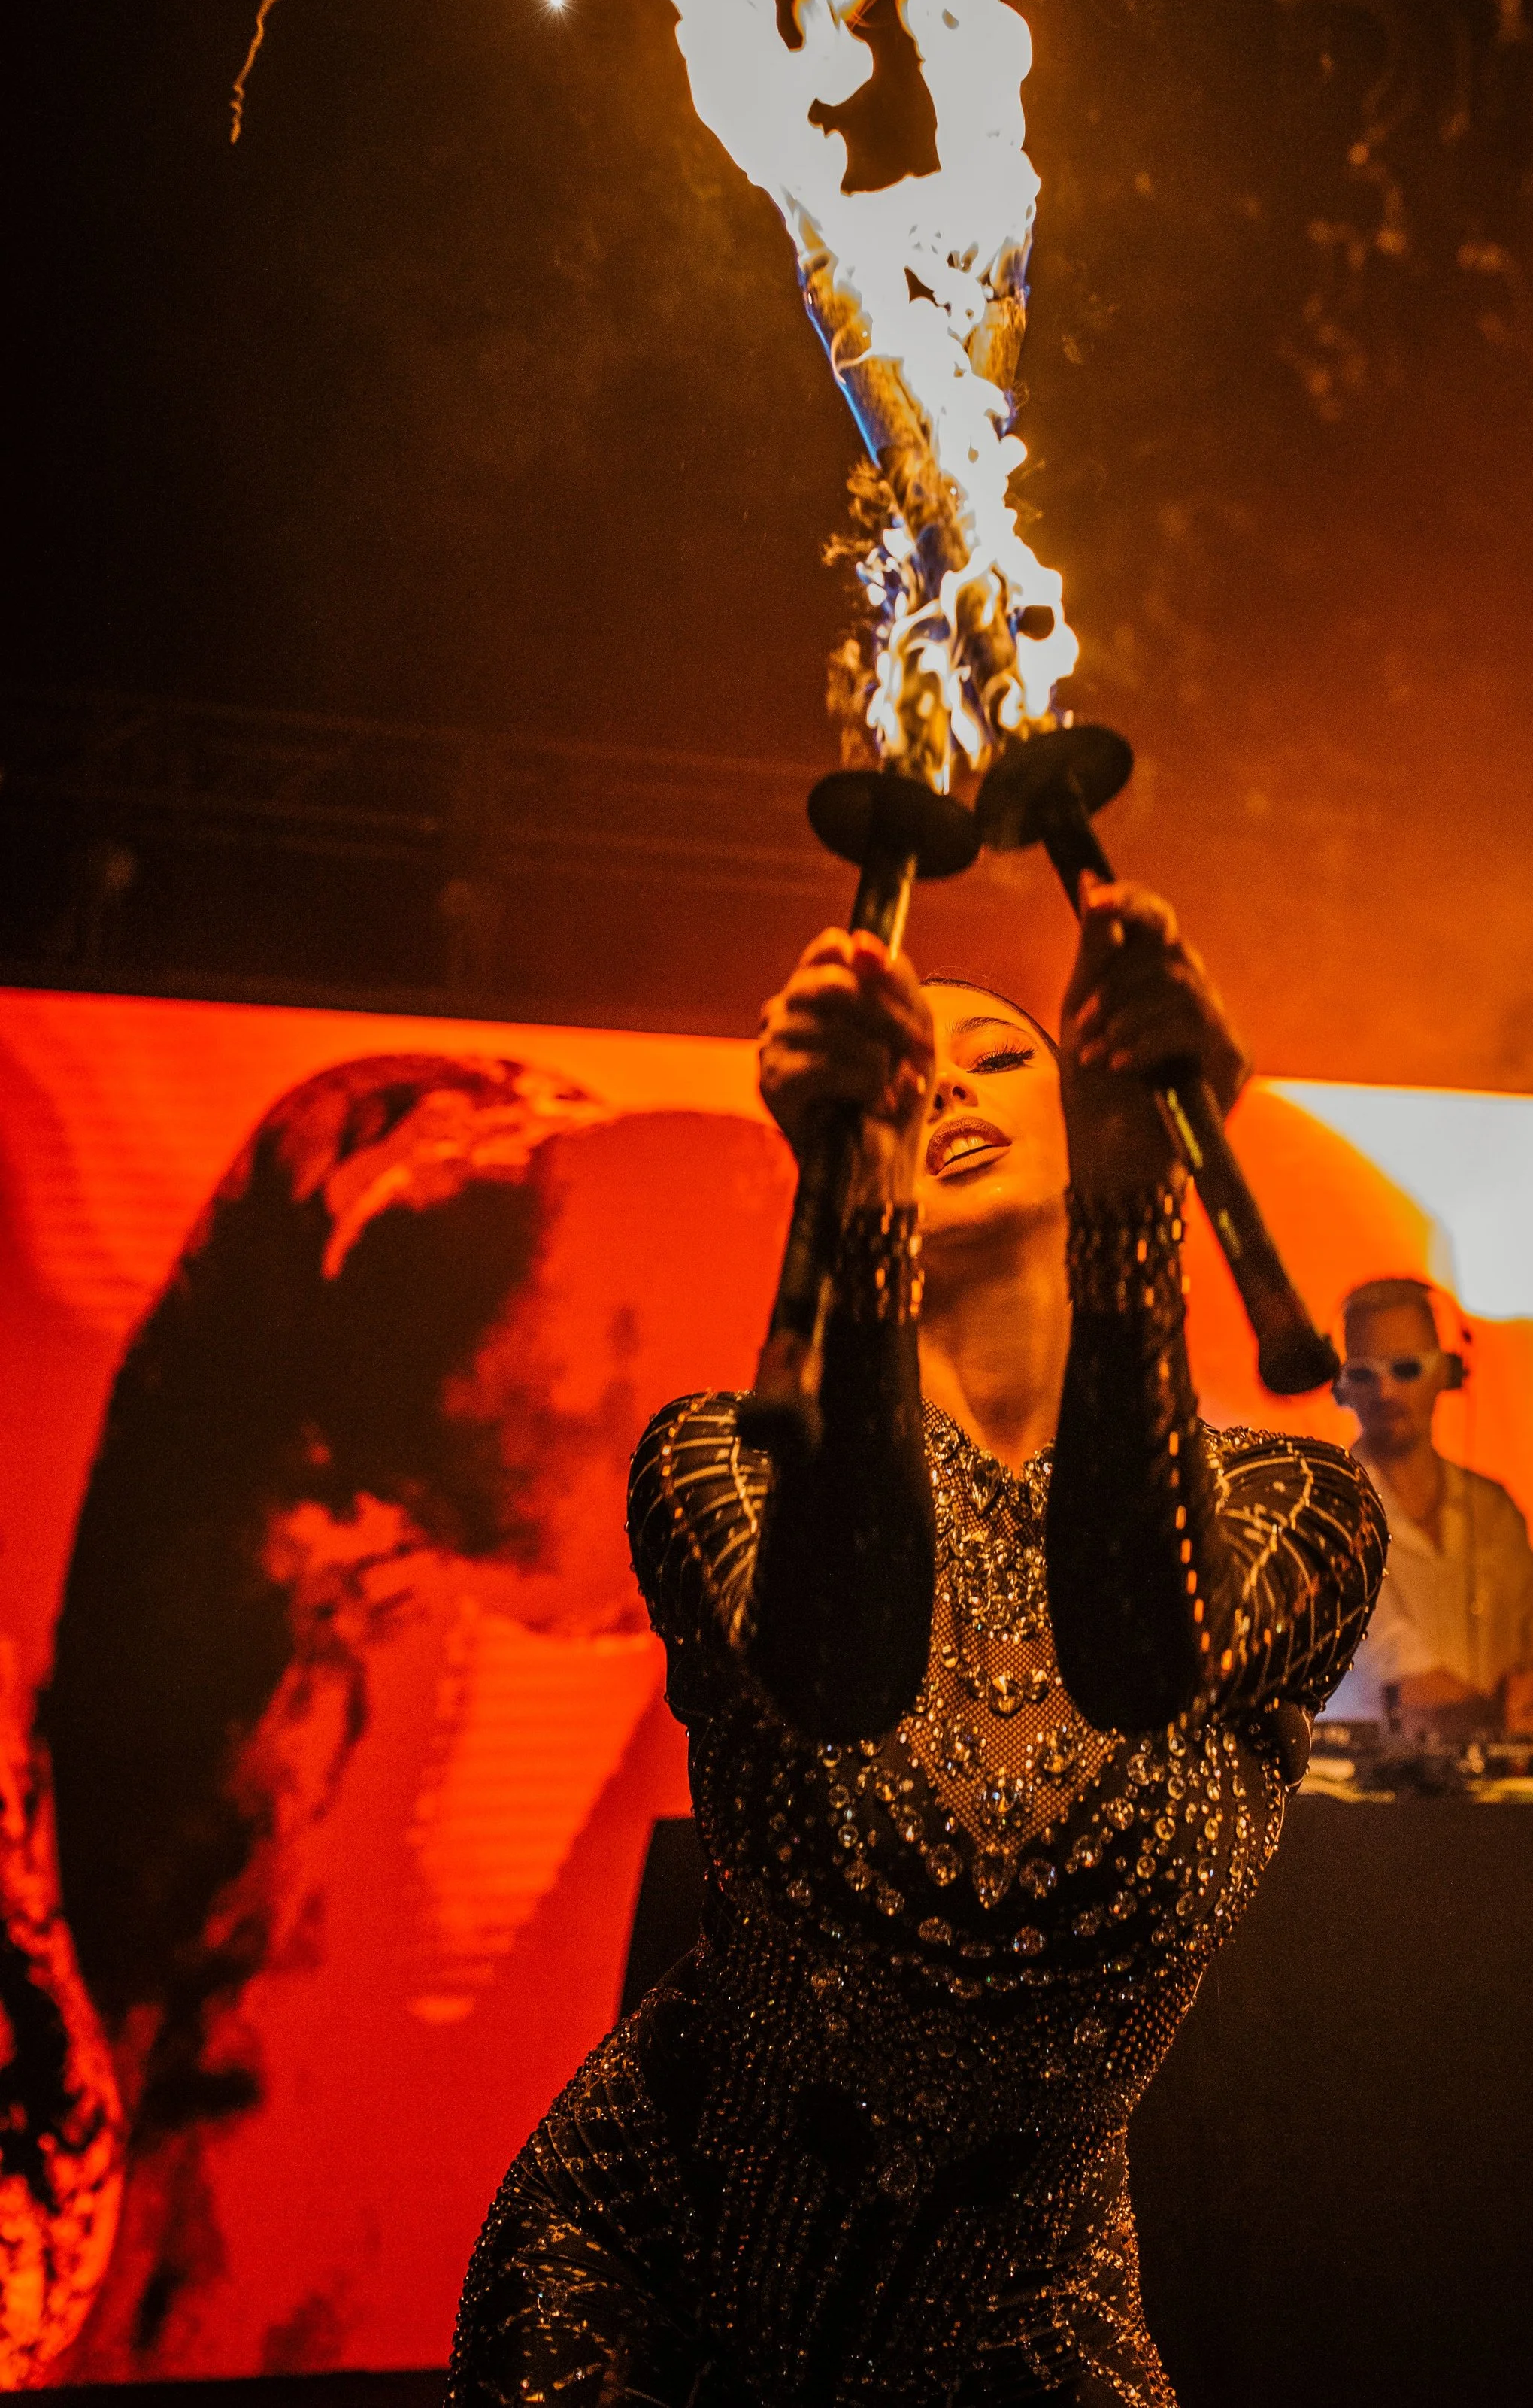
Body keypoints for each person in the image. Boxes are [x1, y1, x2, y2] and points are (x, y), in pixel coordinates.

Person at [447, 881, 1386, 2406]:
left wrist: (1136, 1201)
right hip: (647, 2291)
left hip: (1023, 2335)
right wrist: (859, 1204)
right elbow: (841, 1670)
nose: (945, 1078)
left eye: (1004, 1057)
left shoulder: (1293, 1507)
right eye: (915, 1057)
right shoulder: (721, 1466)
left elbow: (1146, 1654)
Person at [1327, 1277, 1533, 1737]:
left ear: (1447, 1372)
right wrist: (1498, 1713)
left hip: (1498, 1795)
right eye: (1364, 1374)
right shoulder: (1328, 1514)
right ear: (1342, 1388)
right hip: (1383, 1800)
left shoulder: (1493, 1511)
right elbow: (1395, 1679)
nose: (1386, 1392)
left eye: (1405, 1368)